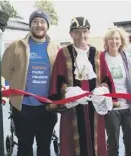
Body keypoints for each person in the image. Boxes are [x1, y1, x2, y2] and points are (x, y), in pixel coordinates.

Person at [47, 16, 112, 156]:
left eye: (84, 31)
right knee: (72, 146)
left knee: (96, 145)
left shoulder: (98, 54)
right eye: (77, 32)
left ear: (89, 33)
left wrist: (103, 90)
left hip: (94, 110)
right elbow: (57, 81)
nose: (81, 35)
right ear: (71, 34)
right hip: (72, 110)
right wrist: (68, 93)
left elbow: (106, 79)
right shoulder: (63, 53)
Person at [1, 10, 60, 156]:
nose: (39, 25)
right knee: (24, 148)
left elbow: (60, 75)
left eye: (42, 22)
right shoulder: (16, 46)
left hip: (47, 108)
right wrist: (18, 82)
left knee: (44, 148)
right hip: (23, 108)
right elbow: (5, 71)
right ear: (30, 25)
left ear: (47, 25)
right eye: (35, 21)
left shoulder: (56, 48)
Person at [100, 27, 131, 156]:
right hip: (111, 108)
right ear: (107, 41)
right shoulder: (101, 58)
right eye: (111, 38)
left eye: (117, 38)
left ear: (121, 41)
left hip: (128, 107)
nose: (114, 41)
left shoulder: (127, 58)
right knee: (112, 145)